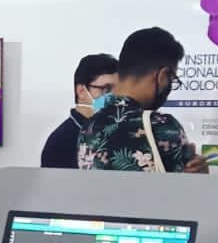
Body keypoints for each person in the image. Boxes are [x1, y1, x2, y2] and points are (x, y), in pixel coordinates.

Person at [79, 27, 209, 174]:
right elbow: (186, 187)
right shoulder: (162, 126)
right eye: (171, 79)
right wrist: (199, 175)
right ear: (162, 75)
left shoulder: (88, 127)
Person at [41, 53, 118, 169]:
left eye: (118, 90)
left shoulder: (111, 131)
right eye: (106, 89)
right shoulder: (62, 141)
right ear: (81, 91)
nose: (114, 96)